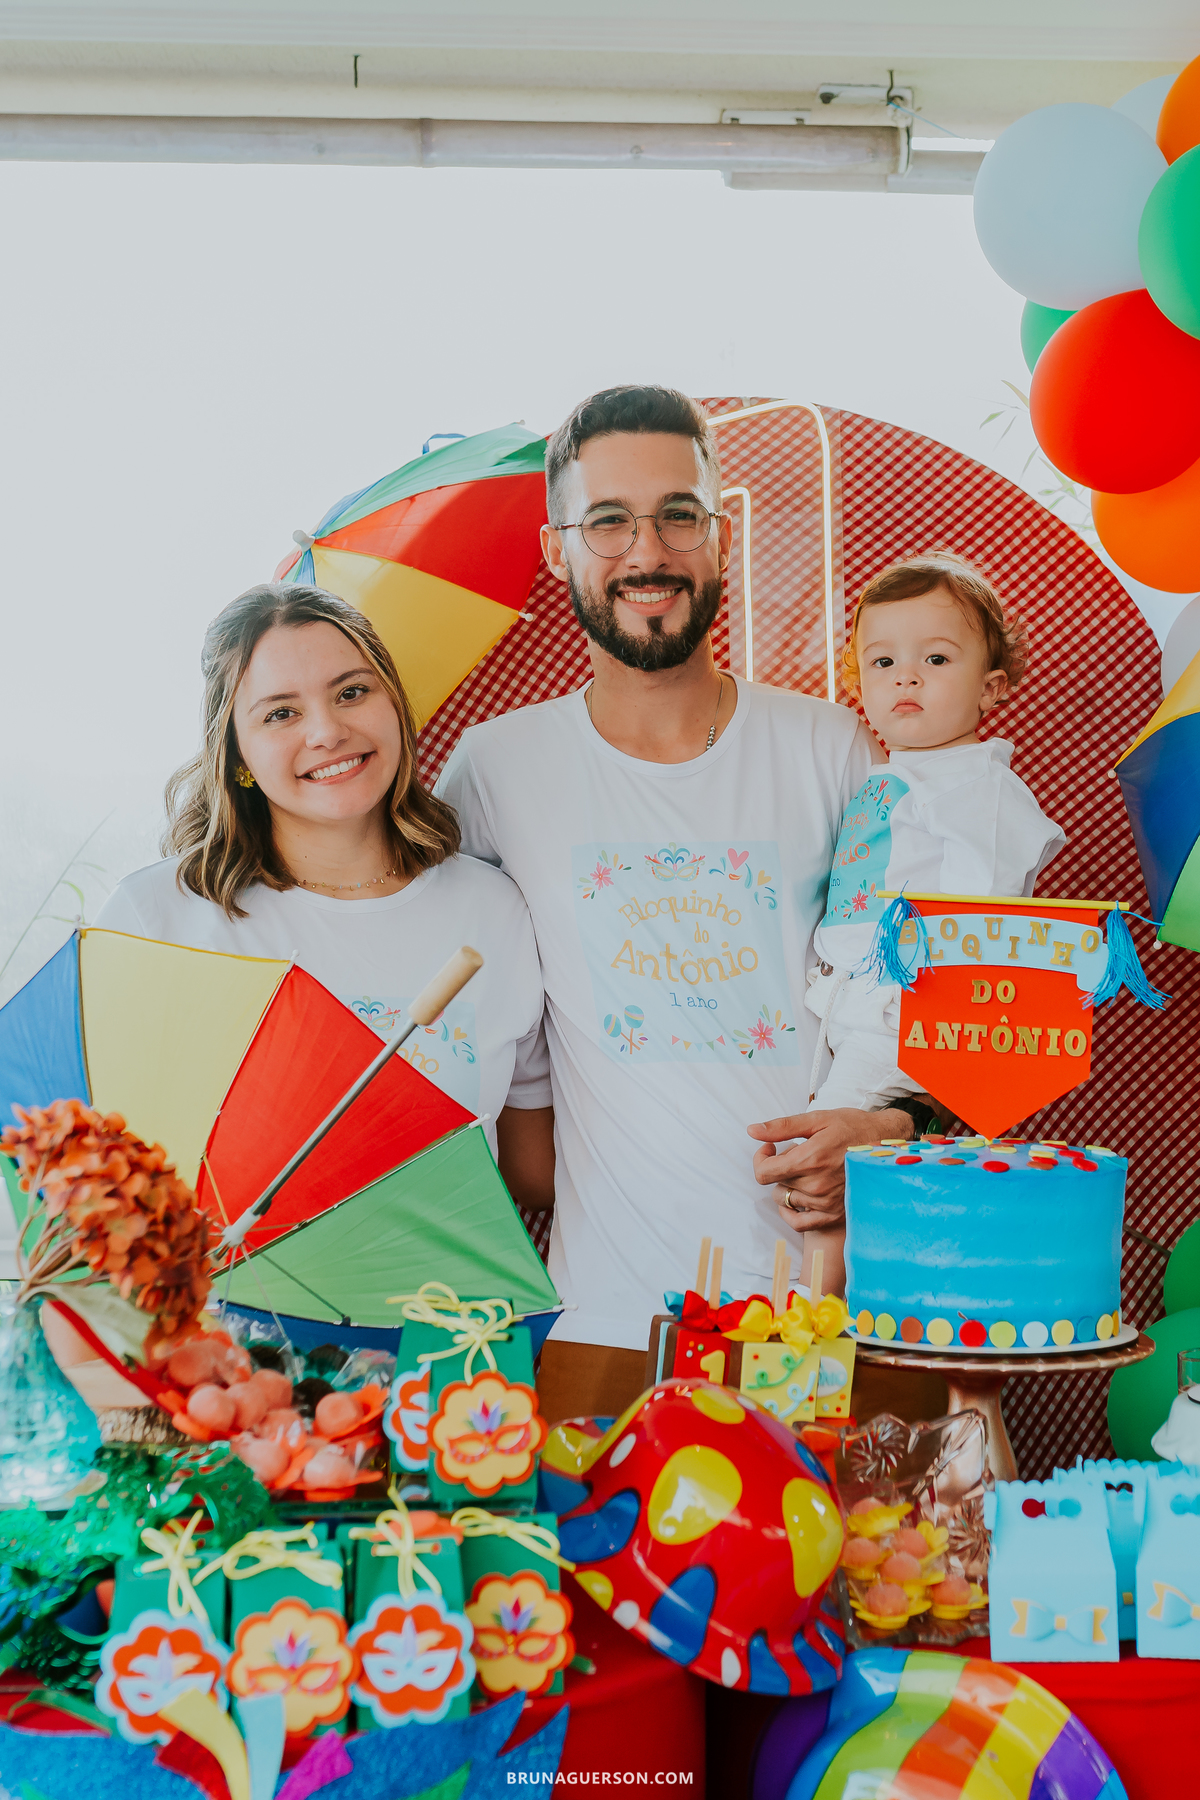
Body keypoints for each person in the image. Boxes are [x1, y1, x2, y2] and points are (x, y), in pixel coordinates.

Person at [435, 385, 923, 1419]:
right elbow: (463, 1029)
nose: (647, 550)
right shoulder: (494, 771)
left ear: (721, 535)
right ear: (557, 549)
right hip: (606, 1327)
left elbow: (911, 996)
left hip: (824, 1319)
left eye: (679, 514)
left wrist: (886, 1125)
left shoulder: (832, 749)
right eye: (608, 520)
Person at [96, 583, 554, 1210]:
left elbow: (533, 1174)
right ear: (237, 755)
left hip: (446, 1277)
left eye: (351, 692)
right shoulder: (158, 919)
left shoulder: (494, 910)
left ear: (395, 707)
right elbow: (99, 1174)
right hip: (232, 1275)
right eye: (280, 713)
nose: (327, 731)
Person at [796, 553, 1066, 1291]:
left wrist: (938, 1006)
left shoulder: (979, 786)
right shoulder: (895, 772)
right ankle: (845, 1300)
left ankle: (812, 1317)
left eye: (936, 659)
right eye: (883, 662)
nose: (906, 678)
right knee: (846, 1155)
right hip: (856, 1004)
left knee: (823, 1153)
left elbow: (990, 914)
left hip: (910, 1011)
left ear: (991, 687)